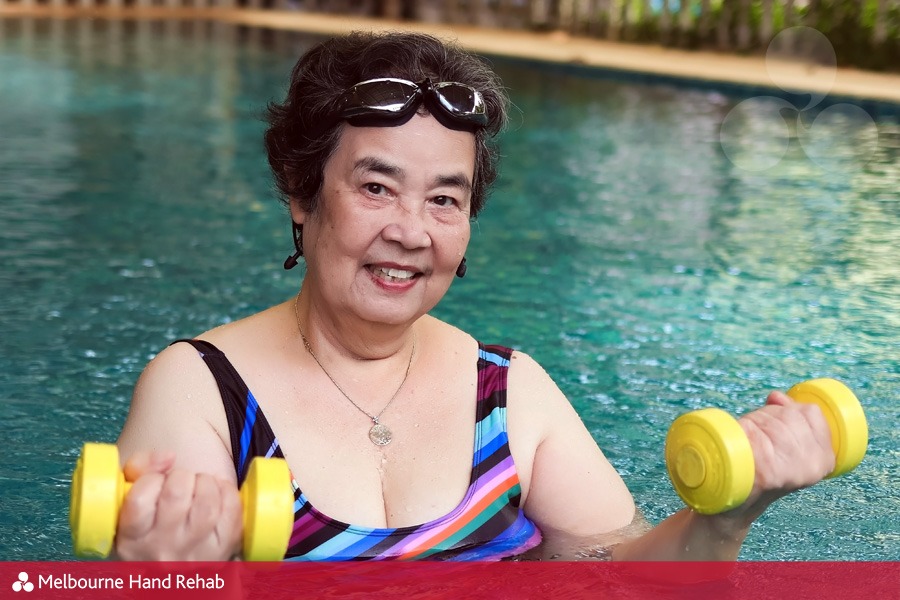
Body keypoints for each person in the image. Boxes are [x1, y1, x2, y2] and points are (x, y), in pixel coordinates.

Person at [114, 31, 836, 561]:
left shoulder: (508, 392)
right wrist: (158, 576)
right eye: (376, 187)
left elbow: (626, 577)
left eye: (444, 200)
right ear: (302, 193)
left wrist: (727, 516)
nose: (411, 231)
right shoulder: (202, 392)